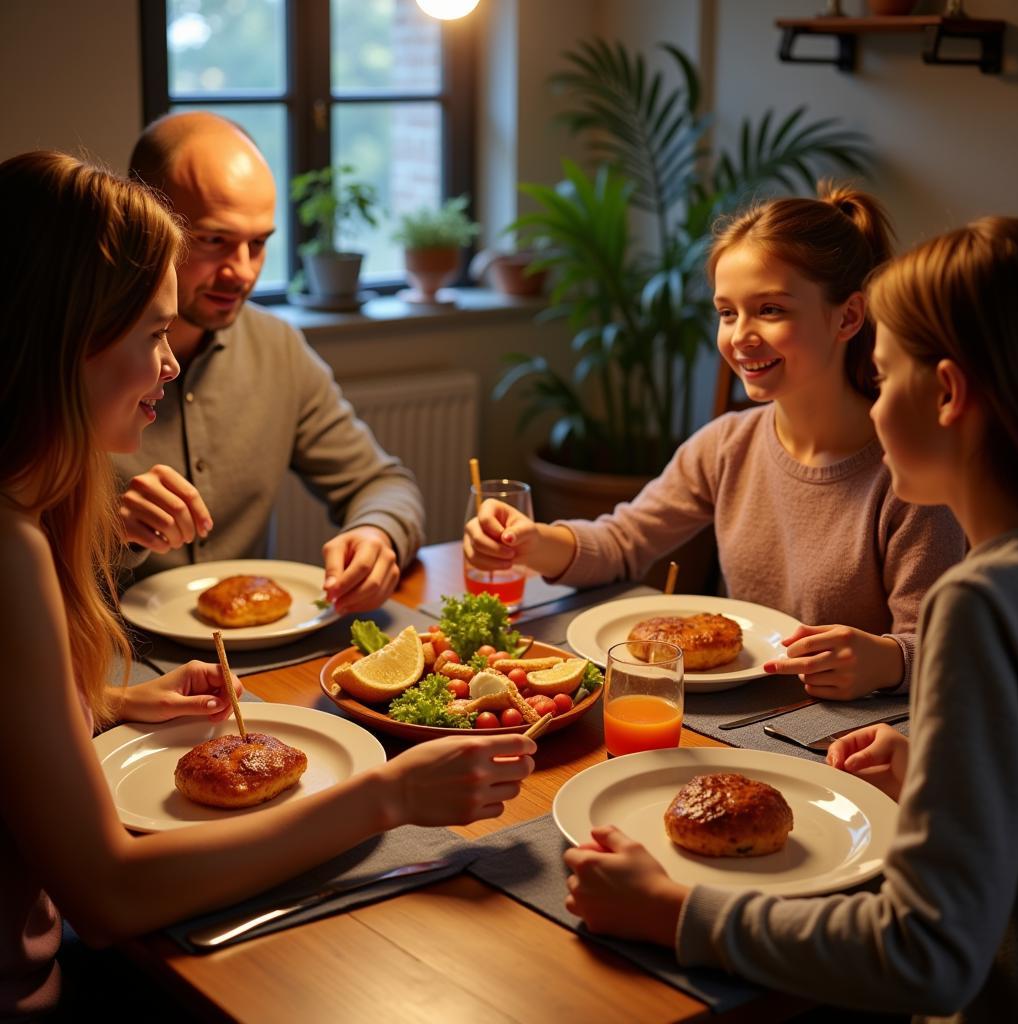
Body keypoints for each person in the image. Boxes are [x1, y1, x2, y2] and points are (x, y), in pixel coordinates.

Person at [0, 151, 534, 1019]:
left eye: (261, 244)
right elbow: (108, 896)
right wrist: (389, 795)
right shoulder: (12, 548)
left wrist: (107, 702)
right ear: (67, 339)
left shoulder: (23, 517)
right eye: (148, 336)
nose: (167, 367)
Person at [562, 217, 1018, 1020]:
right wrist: (931, 764)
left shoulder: (979, 601)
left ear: (946, 394)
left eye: (882, 377)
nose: (875, 409)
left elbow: (930, 955)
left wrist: (674, 913)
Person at [465, 184, 965, 699]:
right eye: (727, 313)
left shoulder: (909, 475)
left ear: (849, 316)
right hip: (731, 722)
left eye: (770, 309)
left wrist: (888, 660)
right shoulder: (727, 445)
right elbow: (624, 541)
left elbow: (945, 652)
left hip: (849, 743)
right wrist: (532, 543)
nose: (740, 335)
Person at [114, 111, 424, 615]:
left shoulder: (276, 346)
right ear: (143, 221)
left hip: (250, 661)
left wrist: (376, 534)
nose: (242, 272)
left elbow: (382, 483)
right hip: (107, 663)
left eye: (258, 243)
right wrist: (108, 531)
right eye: (214, 241)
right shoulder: (74, 355)